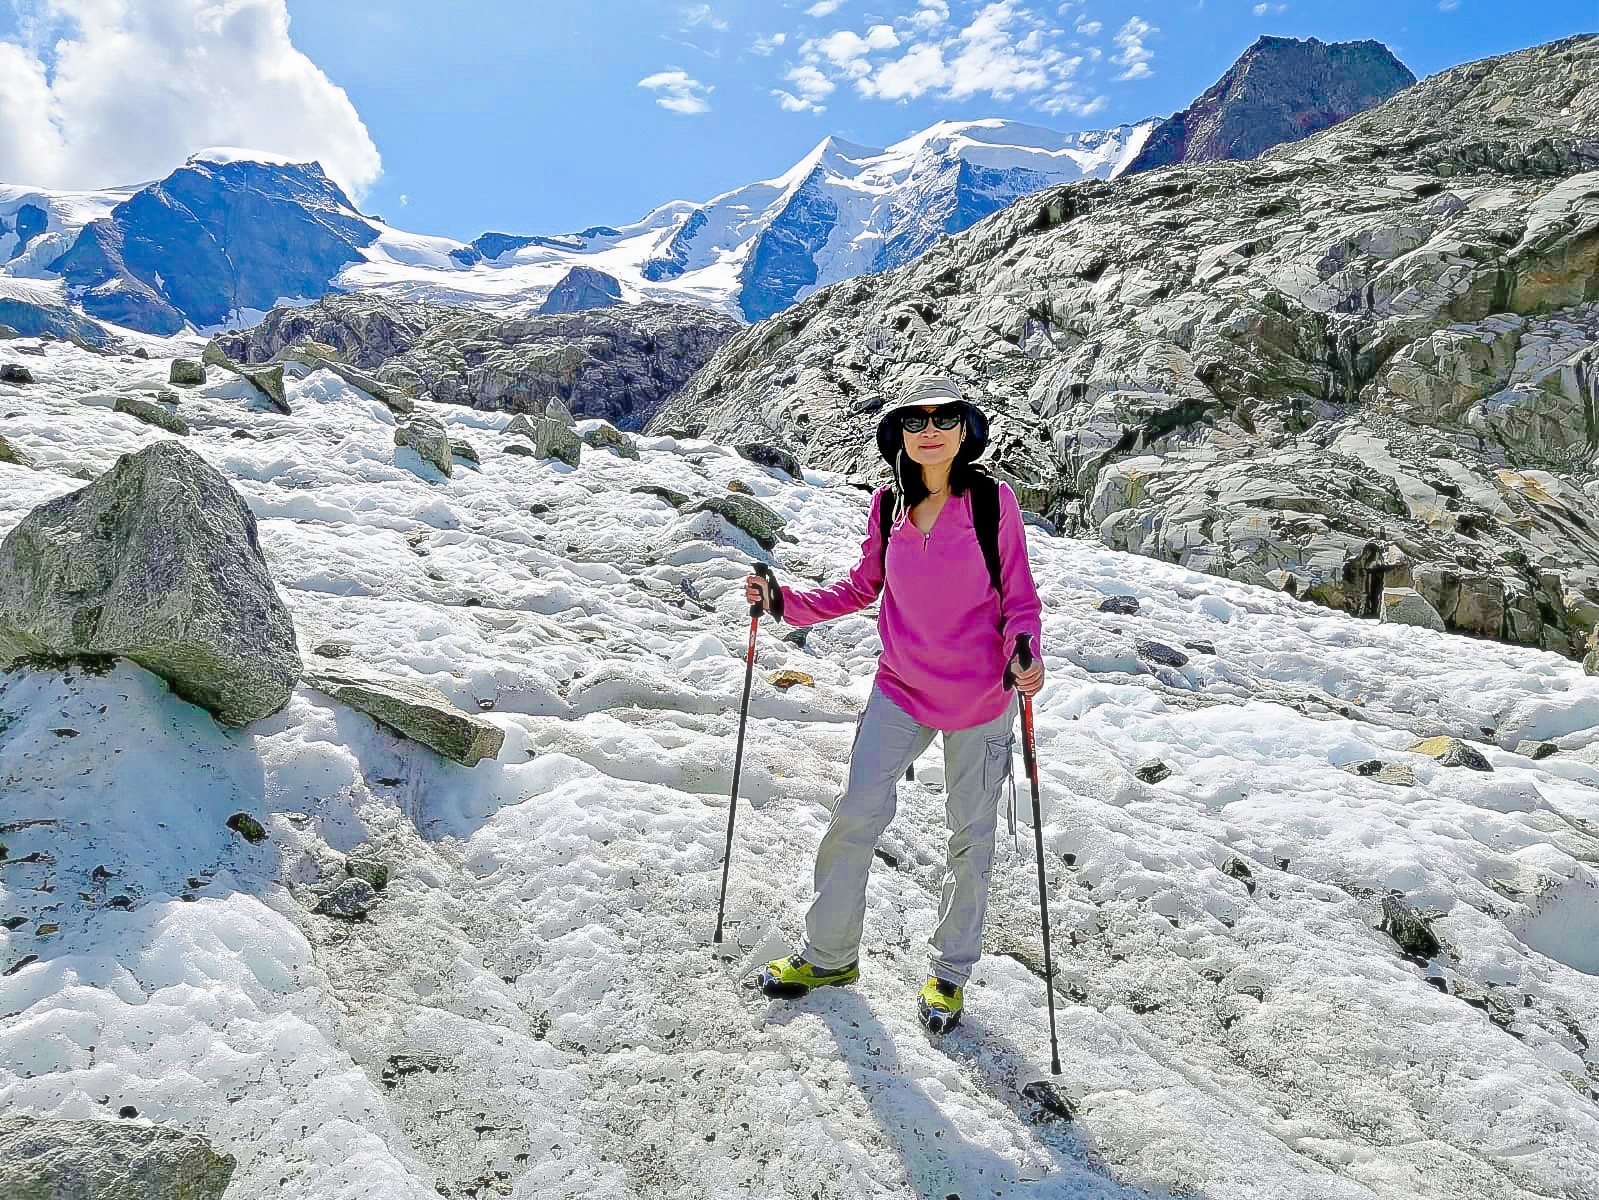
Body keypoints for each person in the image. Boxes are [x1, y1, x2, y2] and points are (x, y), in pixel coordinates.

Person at [743, 373, 1045, 1031]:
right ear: (897, 435)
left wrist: (1026, 651)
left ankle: (947, 975)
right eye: (914, 420)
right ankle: (828, 956)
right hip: (899, 686)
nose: (929, 430)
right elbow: (861, 588)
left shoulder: (993, 504)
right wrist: (783, 602)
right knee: (855, 814)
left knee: (969, 838)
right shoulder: (887, 506)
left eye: (943, 418)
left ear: (965, 430)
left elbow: (1018, 599)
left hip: (979, 697)